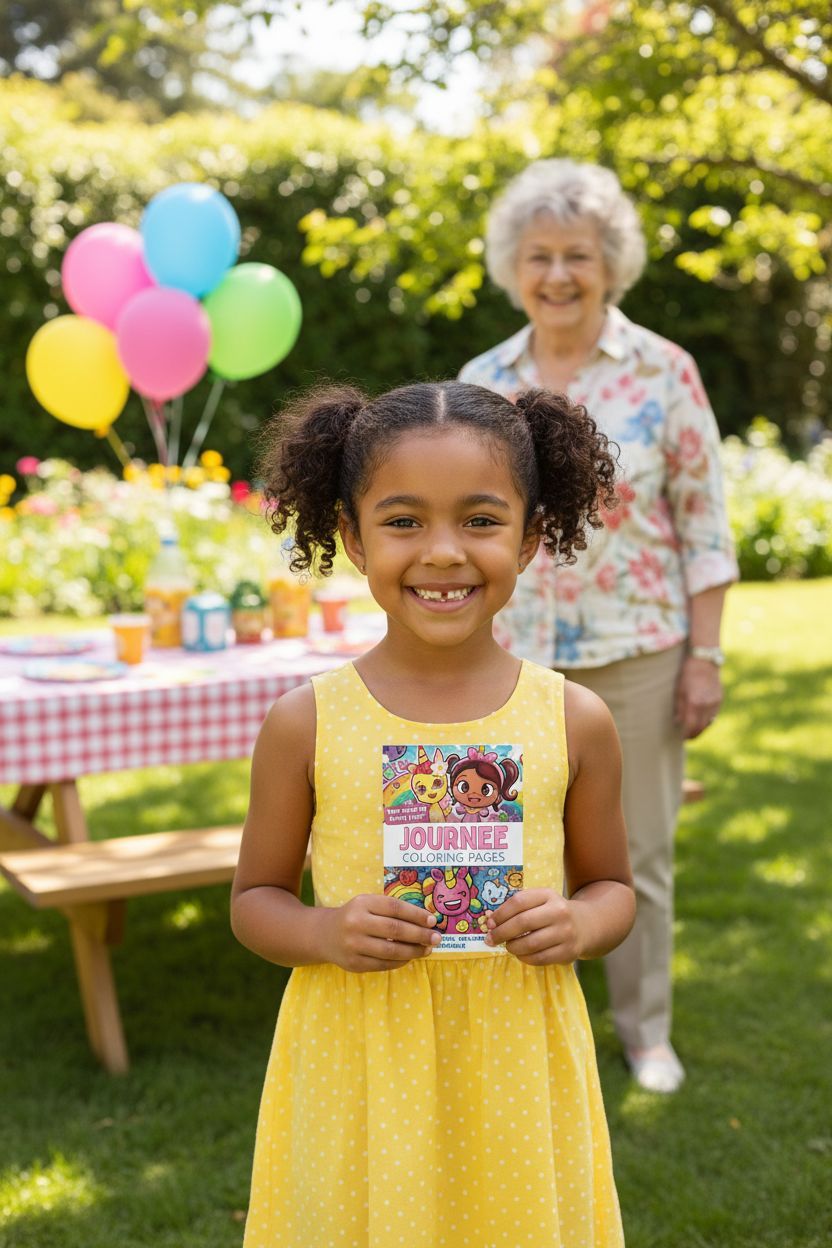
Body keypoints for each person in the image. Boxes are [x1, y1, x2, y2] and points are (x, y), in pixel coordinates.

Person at [231, 379, 636, 1248]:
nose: (443, 552)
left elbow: (613, 887)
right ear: (351, 536)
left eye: (481, 521)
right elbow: (254, 900)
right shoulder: (305, 722)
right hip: (358, 1060)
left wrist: (577, 921)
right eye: (404, 521)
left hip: (518, 1060)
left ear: (530, 540)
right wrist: (324, 932)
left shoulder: (574, 720)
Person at [459, 159, 739, 1093]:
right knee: (506, 843)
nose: (558, 275)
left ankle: (643, 1029)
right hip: (510, 660)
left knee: (636, 854)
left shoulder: (665, 370)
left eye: (578, 254)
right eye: (539, 255)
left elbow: (704, 523)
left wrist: (705, 655)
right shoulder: (483, 381)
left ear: (609, 262)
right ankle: (515, 1029)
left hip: (640, 652)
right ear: (514, 267)